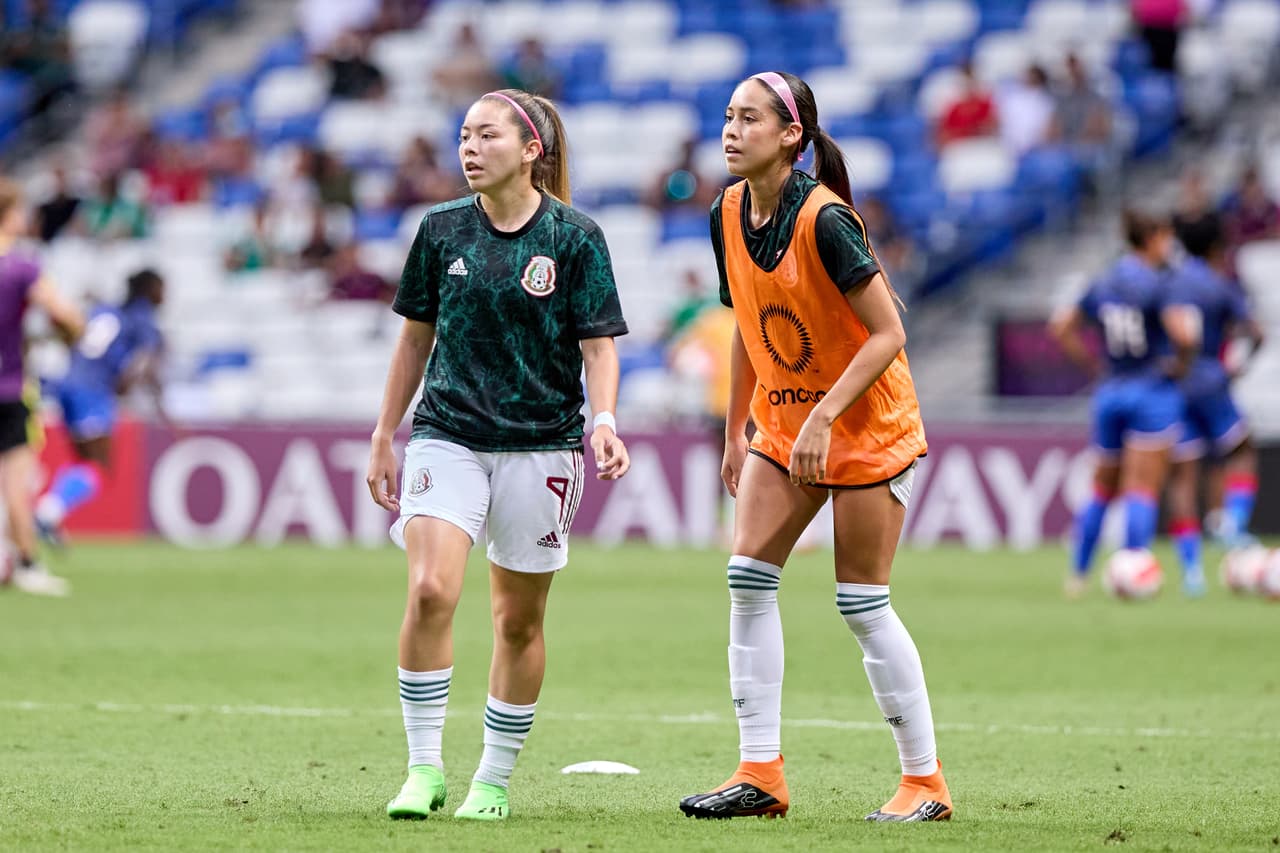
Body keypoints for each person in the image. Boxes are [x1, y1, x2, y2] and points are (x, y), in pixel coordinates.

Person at [678, 71, 950, 824]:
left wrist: (826, 417)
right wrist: (740, 426)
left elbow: (890, 332)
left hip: (865, 425)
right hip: (785, 423)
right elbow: (747, 320)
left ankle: (924, 782)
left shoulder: (828, 221)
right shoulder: (726, 211)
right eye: (727, 116)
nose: (731, 130)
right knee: (746, 579)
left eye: (750, 119)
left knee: (861, 602)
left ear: (792, 135)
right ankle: (760, 772)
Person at [365, 88, 630, 823]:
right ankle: (423, 769)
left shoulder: (575, 238)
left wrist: (604, 419)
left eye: (485, 135)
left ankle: (492, 778)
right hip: (446, 433)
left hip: (541, 444)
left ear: (530, 149)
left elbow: (599, 344)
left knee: (517, 620)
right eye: (464, 136)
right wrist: (385, 431)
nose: (469, 148)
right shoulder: (441, 230)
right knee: (430, 591)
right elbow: (415, 339)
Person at [1049, 211, 1198, 596]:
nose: (1169, 246)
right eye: (1166, 237)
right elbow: (1183, 336)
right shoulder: (1159, 283)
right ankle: (1136, 570)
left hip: (1111, 391)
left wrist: (1094, 364)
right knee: (1141, 488)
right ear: (1151, 238)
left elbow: (1061, 328)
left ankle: (1077, 576)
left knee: (1102, 488)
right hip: (1150, 389)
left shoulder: (1104, 280)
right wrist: (1180, 366)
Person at [1165, 219, 1265, 592]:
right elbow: (1257, 333)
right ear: (1215, 250)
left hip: (1174, 385)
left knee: (1183, 476)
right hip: (1209, 378)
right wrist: (1239, 367)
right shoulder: (1220, 284)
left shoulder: (1168, 284)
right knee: (1241, 448)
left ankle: (1192, 574)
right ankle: (1232, 522)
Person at [34, 269, 168, 544]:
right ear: (149, 289)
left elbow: (74, 336)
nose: (164, 296)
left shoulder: (104, 309)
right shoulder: (142, 319)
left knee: (82, 462)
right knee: (98, 466)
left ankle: (53, 514)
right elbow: (143, 362)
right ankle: (47, 511)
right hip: (93, 391)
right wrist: (132, 387)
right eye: (161, 289)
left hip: (67, 383)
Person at [0, 177, 84, 594]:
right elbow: (66, 316)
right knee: (16, 481)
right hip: (9, 388)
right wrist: (71, 333)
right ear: (9, 214)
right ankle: (28, 566)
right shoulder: (22, 265)